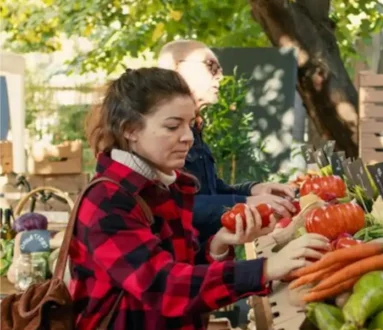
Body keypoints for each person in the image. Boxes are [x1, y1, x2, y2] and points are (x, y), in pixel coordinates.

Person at [69, 67, 329, 329]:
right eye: (173, 126)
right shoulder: (107, 201)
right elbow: (164, 288)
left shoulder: (169, 185)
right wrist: (265, 269)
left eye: (191, 125)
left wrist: (218, 245)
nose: (188, 138)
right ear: (130, 130)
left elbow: (185, 271)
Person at [156, 40, 297, 251]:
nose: (221, 75)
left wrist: (253, 190)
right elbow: (176, 206)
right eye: (211, 66)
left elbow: (209, 190)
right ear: (179, 69)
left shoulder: (195, 125)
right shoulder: (158, 136)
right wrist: (245, 202)